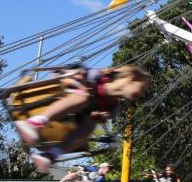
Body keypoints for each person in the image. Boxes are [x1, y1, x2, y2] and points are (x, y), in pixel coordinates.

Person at [15, 65, 151, 173]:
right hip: (64, 88)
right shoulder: (101, 77)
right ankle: (36, 122)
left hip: (75, 113)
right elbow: (77, 75)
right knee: (82, 97)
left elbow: (93, 116)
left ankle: (50, 155)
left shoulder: (113, 108)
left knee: (88, 127)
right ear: (131, 78)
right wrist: (82, 85)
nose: (141, 94)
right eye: (142, 88)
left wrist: (97, 116)